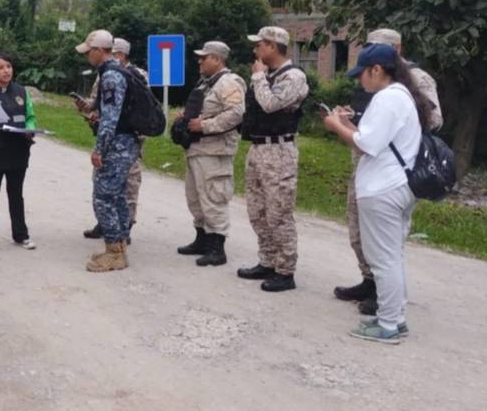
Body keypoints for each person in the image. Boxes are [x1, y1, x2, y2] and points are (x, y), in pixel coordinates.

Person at [333, 28, 443, 315]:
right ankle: (371, 283)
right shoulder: (382, 87)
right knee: (362, 235)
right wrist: (355, 119)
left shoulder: (409, 84)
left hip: (390, 171)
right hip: (372, 165)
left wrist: (343, 127)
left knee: (386, 252)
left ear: (395, 51)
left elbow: (432, 121)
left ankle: (388, 312)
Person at [323, 43, 428, 344]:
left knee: (382, 260)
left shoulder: (387, 98)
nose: (360, 80)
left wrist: (335, 125)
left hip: (383, 189)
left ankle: (388, 325)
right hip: (398, 185)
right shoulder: (402, 95)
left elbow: (365, 145)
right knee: (392, 257)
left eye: (362, 74)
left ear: (377, 70)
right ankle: (395, 317)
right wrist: (348, 123)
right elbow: (374, 138)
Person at [237, 26, 309, 292]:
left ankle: (285, 270)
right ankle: (267, 260)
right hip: (258, 147)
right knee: (257, 211)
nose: (255, 50)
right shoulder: (267, 75)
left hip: (279, 150)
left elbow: (271, 104)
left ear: (272, 46)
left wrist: (258, 78)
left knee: (279, 212)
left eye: (259, 45)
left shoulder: (294, 77)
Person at [174, 41, 246, 266]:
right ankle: (202, 239)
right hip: (197, 149)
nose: (200, 61)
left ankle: (217, 248)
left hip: (215, 151)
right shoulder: (206, 83)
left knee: (214, 198)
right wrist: (185, 118)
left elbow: (236, 114)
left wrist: (204, 126)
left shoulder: (229, 83)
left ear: (217, 59)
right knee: (195, 197)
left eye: (204, 57)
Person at [76, 30, 140, 272]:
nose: (87, 57)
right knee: (118, 196)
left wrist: (99, 150)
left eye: (88, 52)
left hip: (117, 145)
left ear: (99, 50)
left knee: (103, 198)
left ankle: (113, 252)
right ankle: (120, 247)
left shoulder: (111, 76)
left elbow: (110, 119)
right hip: (127, 142)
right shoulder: (118, 71)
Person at [0, 54, 38, 249]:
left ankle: (21, 235)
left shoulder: (21, 92)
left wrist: (30, 129)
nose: (6, 71)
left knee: (16, 194)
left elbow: (30, 117)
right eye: (1, 67)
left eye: (9, 66)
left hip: (17, 152)